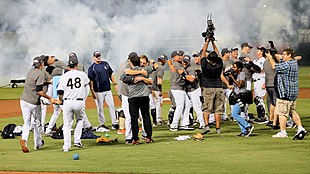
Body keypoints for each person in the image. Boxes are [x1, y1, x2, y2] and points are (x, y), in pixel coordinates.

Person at [267, 48, 307, 139]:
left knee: (282, 113)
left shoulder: (287, 64)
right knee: (291, 111)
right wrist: (274, 54)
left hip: (284, 91)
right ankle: (300, 128)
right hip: (293, 92)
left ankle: (283, 132)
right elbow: (281, 58)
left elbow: (274, 67)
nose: (283, 55)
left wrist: (270, 57)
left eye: (285, 54)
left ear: (289, 55)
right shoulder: (294, 63)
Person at [20, 56, 56, 153]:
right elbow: (39, 91)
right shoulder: (40, 74)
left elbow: (35, 84)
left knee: (27, 123)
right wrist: (50, 98)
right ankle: (38, 144)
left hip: (23, 101)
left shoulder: (31, 71)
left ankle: (24, 139)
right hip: (33, 103)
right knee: (38, 123)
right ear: (41, 64)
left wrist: (46, 83)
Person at [56, 55, 90, 152]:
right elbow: (87, 85)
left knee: (67, 124)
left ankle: (66, 146)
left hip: (67, 102)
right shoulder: (82, 74)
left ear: (68, 66)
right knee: (80, 120)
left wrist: (60, 99)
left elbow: (60, 92)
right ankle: (77, 141)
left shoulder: (64, 76)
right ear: (77, 65)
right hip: (79, 101)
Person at [200, 39, 232, 134]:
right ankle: (218, 128)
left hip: (208, 88)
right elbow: (218, 54)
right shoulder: (219, 65)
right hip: (219, 87)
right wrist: (213, 42)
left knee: (207, 108)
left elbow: (202, 54)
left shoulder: (205, 66)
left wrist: (207, 41)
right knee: (218, 109)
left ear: (208, 59)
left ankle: (206, 126)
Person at [124, 52, 154, 144]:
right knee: (146, 116)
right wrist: (142, 77)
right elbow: (151, 78)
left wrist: (134, 79)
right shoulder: (145, 70)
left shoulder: (129, 72)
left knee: (134, 118)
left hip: (133, 97)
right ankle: (148, 137)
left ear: (131, 62)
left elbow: (124, 77)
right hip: (144, 96)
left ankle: (135, 138)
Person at [88, 51, 119, 132]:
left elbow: (111, 74)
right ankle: (102, 124)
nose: (98, 57)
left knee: (112, 106)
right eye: (96, 56)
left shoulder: (105, 64)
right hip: (98, 91)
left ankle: (114, 123)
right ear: (93, 57)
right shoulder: (92, 68)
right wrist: (92, 91)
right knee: (100, 108)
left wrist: (115, 84)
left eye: (99, 56)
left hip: (108, 90)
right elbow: (91, 81)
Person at [168, 50, 193, 131]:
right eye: (178, 55)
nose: (180, 57)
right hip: (176, 87)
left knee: (188, 104)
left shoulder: (177, 64)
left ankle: (184, 124)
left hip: (180, 88)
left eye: (181, 55)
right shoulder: (175, 65)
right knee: (180, 106)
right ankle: (174, 125)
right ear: (173, 57)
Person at [229, 61, 254, 137]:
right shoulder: (238, 74)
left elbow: (240, 85)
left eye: (235, 67)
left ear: (239, 68)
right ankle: (244, 130)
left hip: (242, 97)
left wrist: (232, 78)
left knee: (234, 113)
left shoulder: (242, 74)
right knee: (237, 114)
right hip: (238, 96)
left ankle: (248, 126)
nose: (233, 68)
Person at [182, 55, 204, 129]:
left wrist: (184, 75)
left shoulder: (190, 69)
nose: (184, 63)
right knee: (186, 106)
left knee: (197, 107)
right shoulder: (183, 68)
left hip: (194, 90)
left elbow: (191, 79)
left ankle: (202, 123)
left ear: (189, 62)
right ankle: (186, 122)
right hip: (188, 90)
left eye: (186, 62)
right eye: (183, 61)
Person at [149, 54, 167, 126]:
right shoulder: (161, 68)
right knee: (158, 103)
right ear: (164, 60)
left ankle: (154, 122)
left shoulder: (153, 66)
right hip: (155, 88)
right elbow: (159, 80)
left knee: (152, 105)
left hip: (149, 88)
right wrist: (160, 90)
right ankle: (158, 120)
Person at [253, 47, 268, 124]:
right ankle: (260, 116)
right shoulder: (256, 60)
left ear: (262, 52)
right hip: (255, 81)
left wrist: (265, 82)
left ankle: (263, 117)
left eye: (258, 50)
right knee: (256, 99)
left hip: (261, 81)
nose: (257, 51)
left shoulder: (263, 60)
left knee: (259, 98)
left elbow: (261, 70)